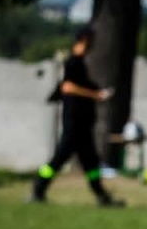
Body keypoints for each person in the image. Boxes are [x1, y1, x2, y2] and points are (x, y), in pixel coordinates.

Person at [29, 27, 122, 207]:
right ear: (85, 39)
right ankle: (38, 188)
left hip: (83, 122)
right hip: (74, 122)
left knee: (91, 162)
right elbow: (68, 87)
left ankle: (101, 196)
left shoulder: (79, 64)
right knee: (59, 158)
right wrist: (96, 95)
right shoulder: (73, 63)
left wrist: (97, 91)